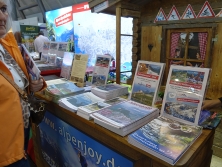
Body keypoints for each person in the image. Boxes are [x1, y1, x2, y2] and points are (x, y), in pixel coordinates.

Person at [0, 0, 47, 166]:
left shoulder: (7, 46)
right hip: (5, 152)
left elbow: (23, 80)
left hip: (22, 136)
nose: (2, 16)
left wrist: (36, 85)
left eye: (3, 9)